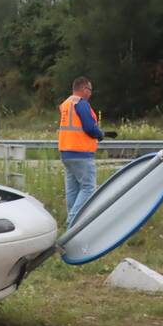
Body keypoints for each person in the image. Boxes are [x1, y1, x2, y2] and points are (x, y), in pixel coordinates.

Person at [58, 76, 104, 226]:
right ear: (84, 89)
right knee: (88, 188)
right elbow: (90, 128)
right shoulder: (81, 103)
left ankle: (70, 225)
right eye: (90, 90)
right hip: (81, 153)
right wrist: (100, 134)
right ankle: (73, 222)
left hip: (66, 152)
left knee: (73, 190)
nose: (90, 94)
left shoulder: (66, 104)